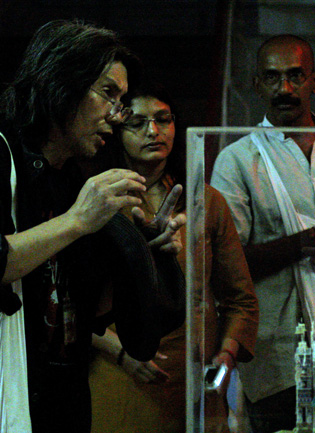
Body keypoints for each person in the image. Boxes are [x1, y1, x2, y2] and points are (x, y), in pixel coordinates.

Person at [0, 21, 185, 433]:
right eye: (107, 94)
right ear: (61, 84)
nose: (117, 116)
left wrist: (145, 255)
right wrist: (77, 221)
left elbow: (87, 310)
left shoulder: (68, 181)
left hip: (61, 401)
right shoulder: (3, 156)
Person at [210, 34, 315, 432]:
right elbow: (226, 267)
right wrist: (303, 243)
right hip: (279, 358)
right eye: (272, 78)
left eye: (295, 76)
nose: (283, 89)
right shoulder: (236, 161)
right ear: (257, 85)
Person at [88, 81, 259, 433]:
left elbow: (241, 300)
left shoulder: (205, 201)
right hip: (118, 369)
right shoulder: (95, 200)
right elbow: (70, 302)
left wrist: (222, 363)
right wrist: (120, 351)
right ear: (117, 129)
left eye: (163, 119)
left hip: (194, 379)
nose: (153, 131)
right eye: (137, 123)